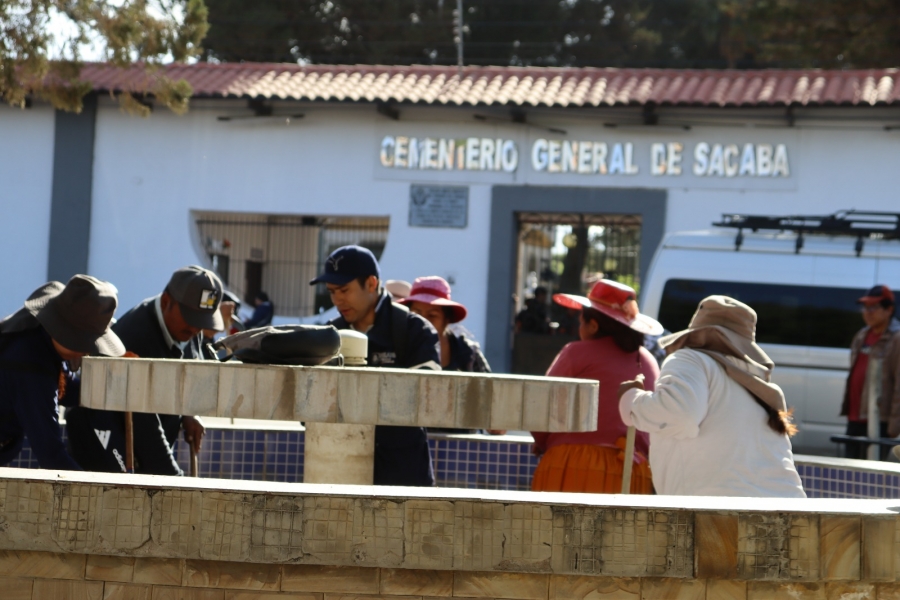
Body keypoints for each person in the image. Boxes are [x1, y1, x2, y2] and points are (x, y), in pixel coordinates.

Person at [618, 295, 806, 498]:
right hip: (789, 513)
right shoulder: (760, 385)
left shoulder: (689, 358)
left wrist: (632, 399)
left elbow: (679, 415)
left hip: (720, 515)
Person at [66, 266, 224, 475]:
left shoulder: (189, 329)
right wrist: (174, 479)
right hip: (104, 450)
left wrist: (189, 413)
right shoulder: (137, 338)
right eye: (191, 319)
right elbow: (144, 428)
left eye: (202, 323)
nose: (196, 330)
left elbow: (190, 372)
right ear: (167, 302)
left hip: (145, 446)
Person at [310, 245, 440, 486]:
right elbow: (309, 405)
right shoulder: (328, 335)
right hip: (338, 472)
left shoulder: (413, 330)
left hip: (402, 479)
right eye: (331, 292)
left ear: (371, 284)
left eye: (344, 290)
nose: (337, 300)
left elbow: (430, 393)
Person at [530, 280, 661, 494]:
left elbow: (541, 409)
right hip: (631, 470)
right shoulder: (647, 361)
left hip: (570, 465)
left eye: (581, 322)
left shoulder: (575, 352)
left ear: (593, 325)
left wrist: (543, 441)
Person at [0, 275, 124, 470]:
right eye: (86, 343)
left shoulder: (43, 336)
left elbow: (66, 389)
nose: (87, 351)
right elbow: (51, 456)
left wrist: (121, 390)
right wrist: (94, 492)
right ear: (66, 333)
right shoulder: (29, 364)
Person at [841, 285, 900, 459]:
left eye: (873, 307)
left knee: (870, 477)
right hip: (856, 417)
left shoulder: (896, 338)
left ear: (889, 309)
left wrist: (894, 425)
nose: (867, 312)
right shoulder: (862, 335)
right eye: (865, 307)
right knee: (849, 473)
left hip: (878, 420)